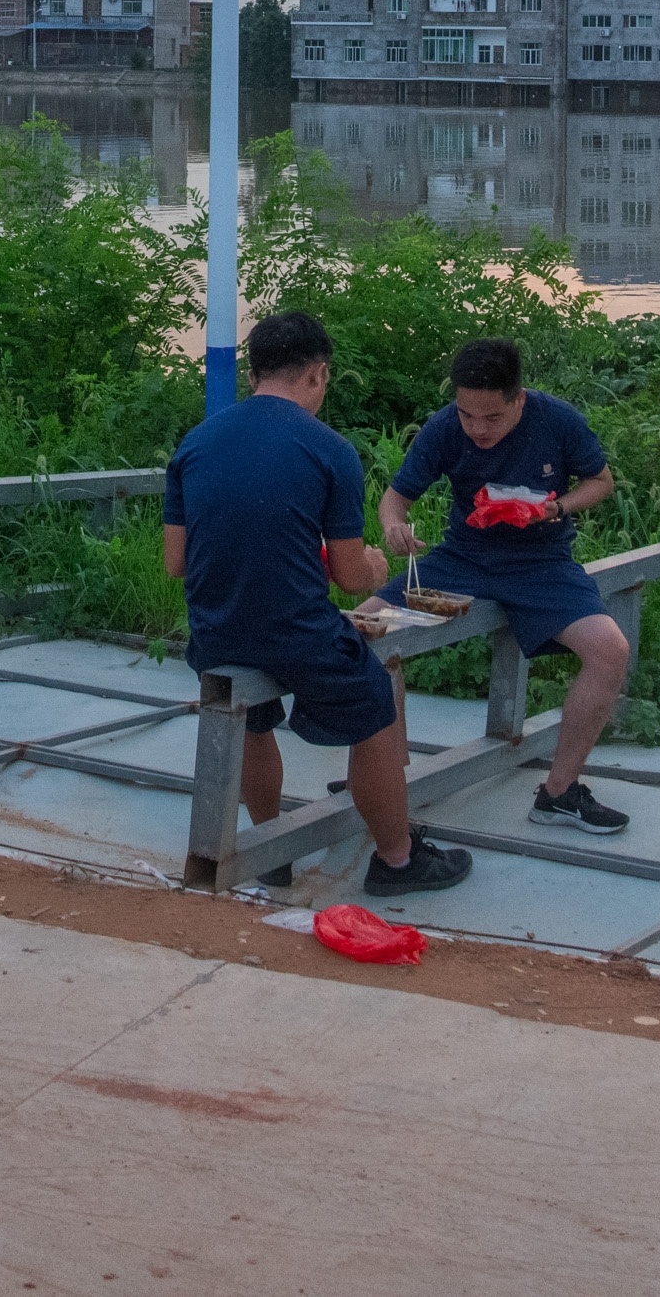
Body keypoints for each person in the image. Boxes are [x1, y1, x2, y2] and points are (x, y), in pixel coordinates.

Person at [159, 310, 473, 900]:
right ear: (318, 375)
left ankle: (271, 850)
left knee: (251, 723)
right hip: (298, 632)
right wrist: (377, 567)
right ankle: (397, 860)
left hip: (216, 631)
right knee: (376, 703)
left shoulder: (195, 443)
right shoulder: (329, 449)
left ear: (253, 374)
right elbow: (354, 578)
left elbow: (177, 563)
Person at [380, 336, 630, 836]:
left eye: (491, 418)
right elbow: (395, 498)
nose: (476, 429)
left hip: (541, 561)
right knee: (367, 631)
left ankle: (559, 794)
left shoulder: (557, 420)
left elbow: (601, 482)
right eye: (467, 415)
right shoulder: (445, 426)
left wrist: (556, 507)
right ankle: (383, 774)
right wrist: (393, 529)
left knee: (610, 650)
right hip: (461, 558)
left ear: (518, 398)